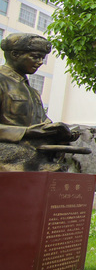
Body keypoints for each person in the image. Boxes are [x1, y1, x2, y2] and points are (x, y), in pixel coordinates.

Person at [0, 33, 84, 172]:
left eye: (42, 58)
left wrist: (61, 133)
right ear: (15, 54)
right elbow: (31, 131)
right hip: (10, 147)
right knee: (32, 159)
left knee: (78, 156)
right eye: (35, 57)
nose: (40, 62)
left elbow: (44, 124)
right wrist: (26, 132)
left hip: (33, 145)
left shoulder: (33, 92)